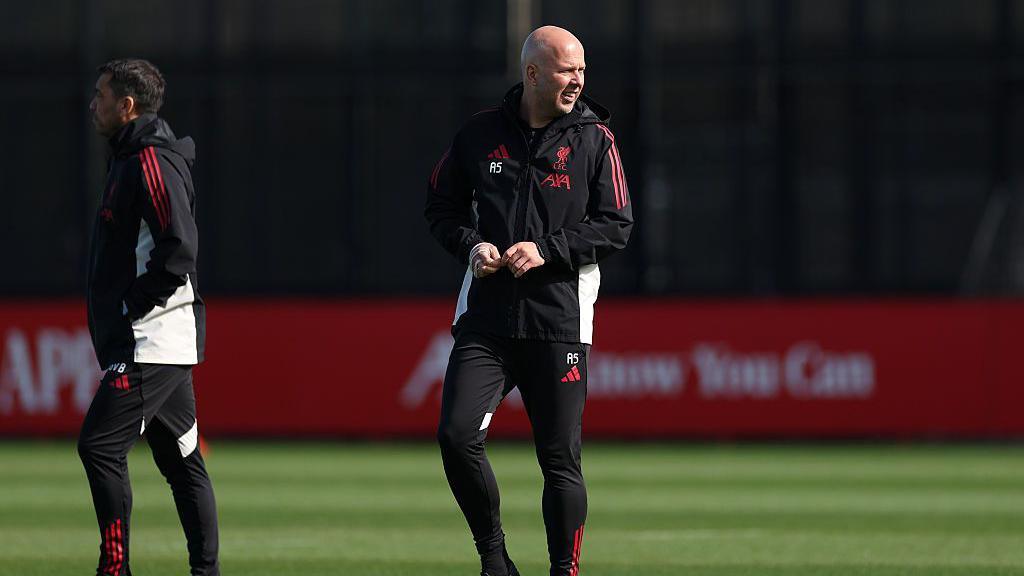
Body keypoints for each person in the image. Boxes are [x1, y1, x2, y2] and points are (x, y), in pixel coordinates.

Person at [425, 25, 634, 576]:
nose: (578, 81)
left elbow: (617, 226)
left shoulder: (595, 139)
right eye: (568, 71)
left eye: (583, 71)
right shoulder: (479, 135)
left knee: (559, 462)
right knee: (455, 436)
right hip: (487, 321)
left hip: (559, 322)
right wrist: (473, 247)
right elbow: (440, 210)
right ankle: (494, 560)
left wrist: (547, 251)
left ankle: (563, 571)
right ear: (534, 73)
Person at [79, 58, 219, 576]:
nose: (94, 104)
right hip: (155, 337)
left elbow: (178, 250)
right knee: (183, 464)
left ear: (127, 105)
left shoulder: (149, 162)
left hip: (151, 339)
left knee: (99, 447)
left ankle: (114, 569)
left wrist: (130, 305)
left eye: (101, 95)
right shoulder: (129, 158)